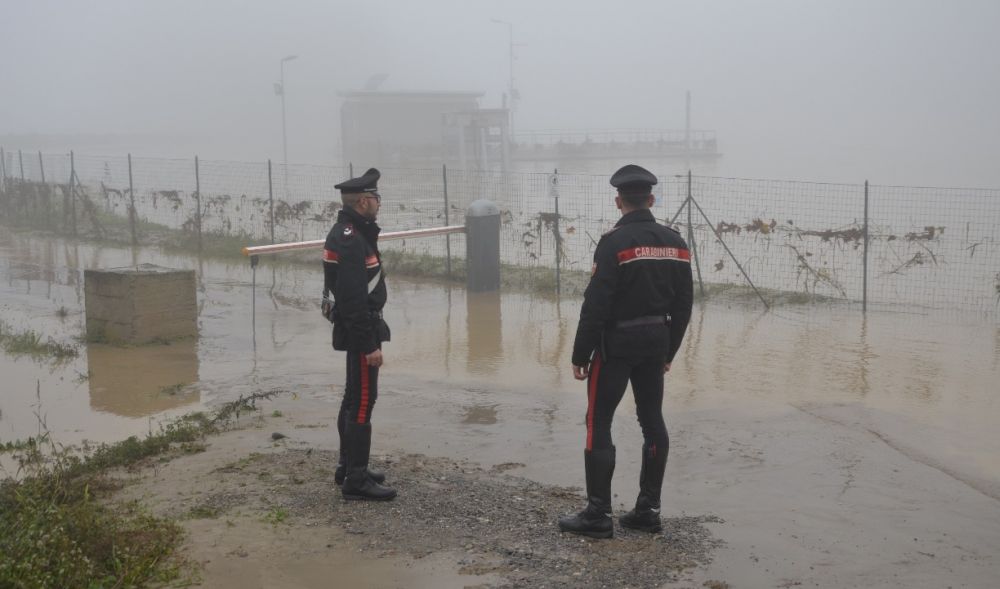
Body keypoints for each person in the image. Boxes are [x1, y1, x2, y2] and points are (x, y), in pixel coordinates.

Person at [558, 164, 694, 538]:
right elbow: (684, 304)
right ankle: (648, 510)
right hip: (656, 342)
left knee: (598, 421)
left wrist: (579, 354)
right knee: (652, 422)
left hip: (615, 346)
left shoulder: (613, 242)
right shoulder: (676, 242)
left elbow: (596, 304)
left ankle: (598, 515)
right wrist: (670, 351)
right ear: (651, 199)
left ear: (618, 201)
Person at [321, 167, 396, 501]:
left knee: (354, 398)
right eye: (376, 198)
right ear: (364, 201)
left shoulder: (352, 232)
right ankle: (356, 479)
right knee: (363, 400)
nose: (379, 203)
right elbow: (352, 299)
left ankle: (348, 466)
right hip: (361, 330)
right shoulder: (351, 239)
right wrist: (369, 346)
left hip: (360, 326)